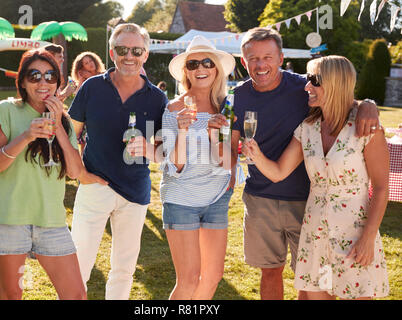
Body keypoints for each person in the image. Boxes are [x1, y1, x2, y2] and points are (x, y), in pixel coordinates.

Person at [207, 27, 379, 300]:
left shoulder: (304, 87)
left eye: (267, 57)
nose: (261, 64)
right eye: (253, 58)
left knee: (313, 279)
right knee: (270, 272)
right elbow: (229, 151)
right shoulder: (238, 97)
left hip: (308, 201)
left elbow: (338, 95)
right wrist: (220, 138)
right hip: (261, 198)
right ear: (243, 61)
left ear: (280, 57)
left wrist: (368, 103)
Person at [243, 55, 389, 300]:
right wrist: (255, 154)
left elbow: (382, 187)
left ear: (335, 83)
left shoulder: (366, 128)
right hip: (315, 234)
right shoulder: (307, 129)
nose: (306, 86)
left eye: (314, 80)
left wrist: (368, 238)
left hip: (355, 234)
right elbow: (278, 172)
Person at [68, 23, 167, 300]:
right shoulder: (91, 87)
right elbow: (69, 135)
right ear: (112, 52)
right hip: (94, 185)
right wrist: (80, 173)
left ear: (146, 54)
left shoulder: (158, 98)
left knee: (123, 270)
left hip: (135, 192)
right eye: (122, 49)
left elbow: (164, 153)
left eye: (137, 50)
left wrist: (149, 148)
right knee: (78, 266)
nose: (129, 56)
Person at [0, 49, 86, 300]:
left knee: (76, 295)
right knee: (12, 295)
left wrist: (59, 123)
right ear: (23, 82)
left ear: (58, 82)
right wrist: (26, 136)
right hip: (9, 220)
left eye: (50, 76)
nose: (43, 82)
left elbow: (75, 172)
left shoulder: (64, 120)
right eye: (35, 75)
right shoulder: (7, 110)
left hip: (51, 221)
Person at [161, 35, 237, 300]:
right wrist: (182, 130)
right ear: (186, 72)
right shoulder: (173, 108)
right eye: (193, 64)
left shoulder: (226, 107)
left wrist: (213, 135)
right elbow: (176, 165)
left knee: (213, 276)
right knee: (189, 280)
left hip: (215, 197)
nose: (200, 69)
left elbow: (224, 160)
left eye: (207, 62)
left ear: (216, 68)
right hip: (181, 198)